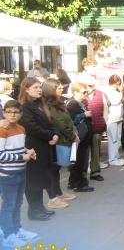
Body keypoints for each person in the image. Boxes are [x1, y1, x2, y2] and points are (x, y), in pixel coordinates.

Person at [18, 77, 58, 221]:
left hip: (45, 146)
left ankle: (39, 207)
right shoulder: (24, 106)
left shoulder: (40, 104)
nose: (39, 90)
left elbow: (50, 122)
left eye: (40, 87)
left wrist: (54, 134)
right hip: (33, 147)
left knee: (42, 179)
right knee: (34, 180)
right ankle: (34, 211)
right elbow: (31, 127)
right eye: (35, 87)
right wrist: (49, 135)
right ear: (26, 89)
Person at [0, 100, 38, 247]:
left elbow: (18, 148)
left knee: (18, 203)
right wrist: (23, 157)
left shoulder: (21, 129)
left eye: (16, 112)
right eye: (8, 111)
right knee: (9, 204)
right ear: (3, 113)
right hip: (6, 174)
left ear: (21, 114)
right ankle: (8, 234)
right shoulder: (2, 130)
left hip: (21, 171)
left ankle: (17, 229)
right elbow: (1, 155)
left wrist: (27, 151)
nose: (12, 115)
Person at [42, 79, 78, 209]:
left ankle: (58, 193)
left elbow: (68, 120)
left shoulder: (59, 102)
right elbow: (59, 123)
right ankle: (53, 198)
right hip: (59, 140)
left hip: (65, 138)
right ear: (51, 89)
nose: (62, 88)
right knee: (53, 168)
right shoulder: (48, 106)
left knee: (56, 168)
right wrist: (73, 135)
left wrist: (74, 133)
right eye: (58, 87)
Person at [66, 82, 94, 192]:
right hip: (79, 138)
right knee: (80, 160)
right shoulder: (73, 104)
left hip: (82, 137)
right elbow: (71, 120)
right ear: (75, 92)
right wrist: (84, 115)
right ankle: (80, 183)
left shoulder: (78, 103)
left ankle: (73, 182)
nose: (86, 94)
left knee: (78, 160)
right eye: (84, 92)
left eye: (87, 92)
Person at [81, 74, 107, 181]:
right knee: (84, 152)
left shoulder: (100, 94)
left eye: (92, 85)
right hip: (85, 129)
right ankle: (81, 174)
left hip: (97, 127)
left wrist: (104, 120)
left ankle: (95, 172)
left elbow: (105, 109)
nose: (91, 87)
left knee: (96, 150)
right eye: (88, 85)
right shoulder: (81, 95)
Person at [104, 74, 124, 166]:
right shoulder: (107, 90)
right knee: (113, 139)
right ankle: (112, 159)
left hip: (118, 117)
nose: (117, 85)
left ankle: (116, 157)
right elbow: (114, 101)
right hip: (111, 118)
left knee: (118, 138)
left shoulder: (117, 90)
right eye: (116, 83)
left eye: (118, 84)